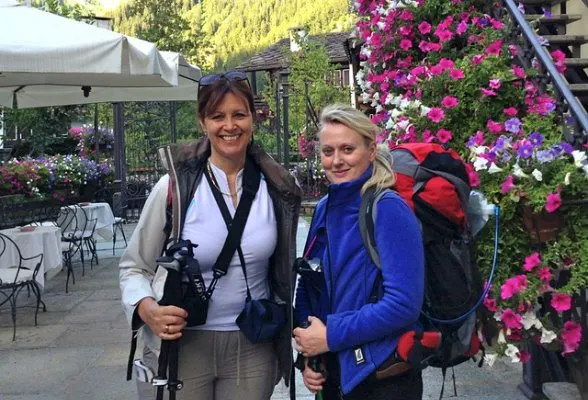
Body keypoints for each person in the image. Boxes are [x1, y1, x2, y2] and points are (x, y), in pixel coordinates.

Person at [119, 71, 302, 400]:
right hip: (184, 345)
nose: (229, 126)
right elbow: (134, 267)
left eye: (239, 115)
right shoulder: (175, 188)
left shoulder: (277, 189)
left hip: (253, 344)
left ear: (253, 119)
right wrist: (147, 309)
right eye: (218, 116)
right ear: (203, 122)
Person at [293, 104, 425, 399]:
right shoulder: (325, 208)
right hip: (334, 372)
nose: (337, 161)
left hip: (381, 378)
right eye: (328, 152)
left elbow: (404, 304)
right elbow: (308, 281)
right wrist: (308, 353)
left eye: (347, 149)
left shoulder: (388, 208)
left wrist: (330, 335)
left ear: (371, 150)